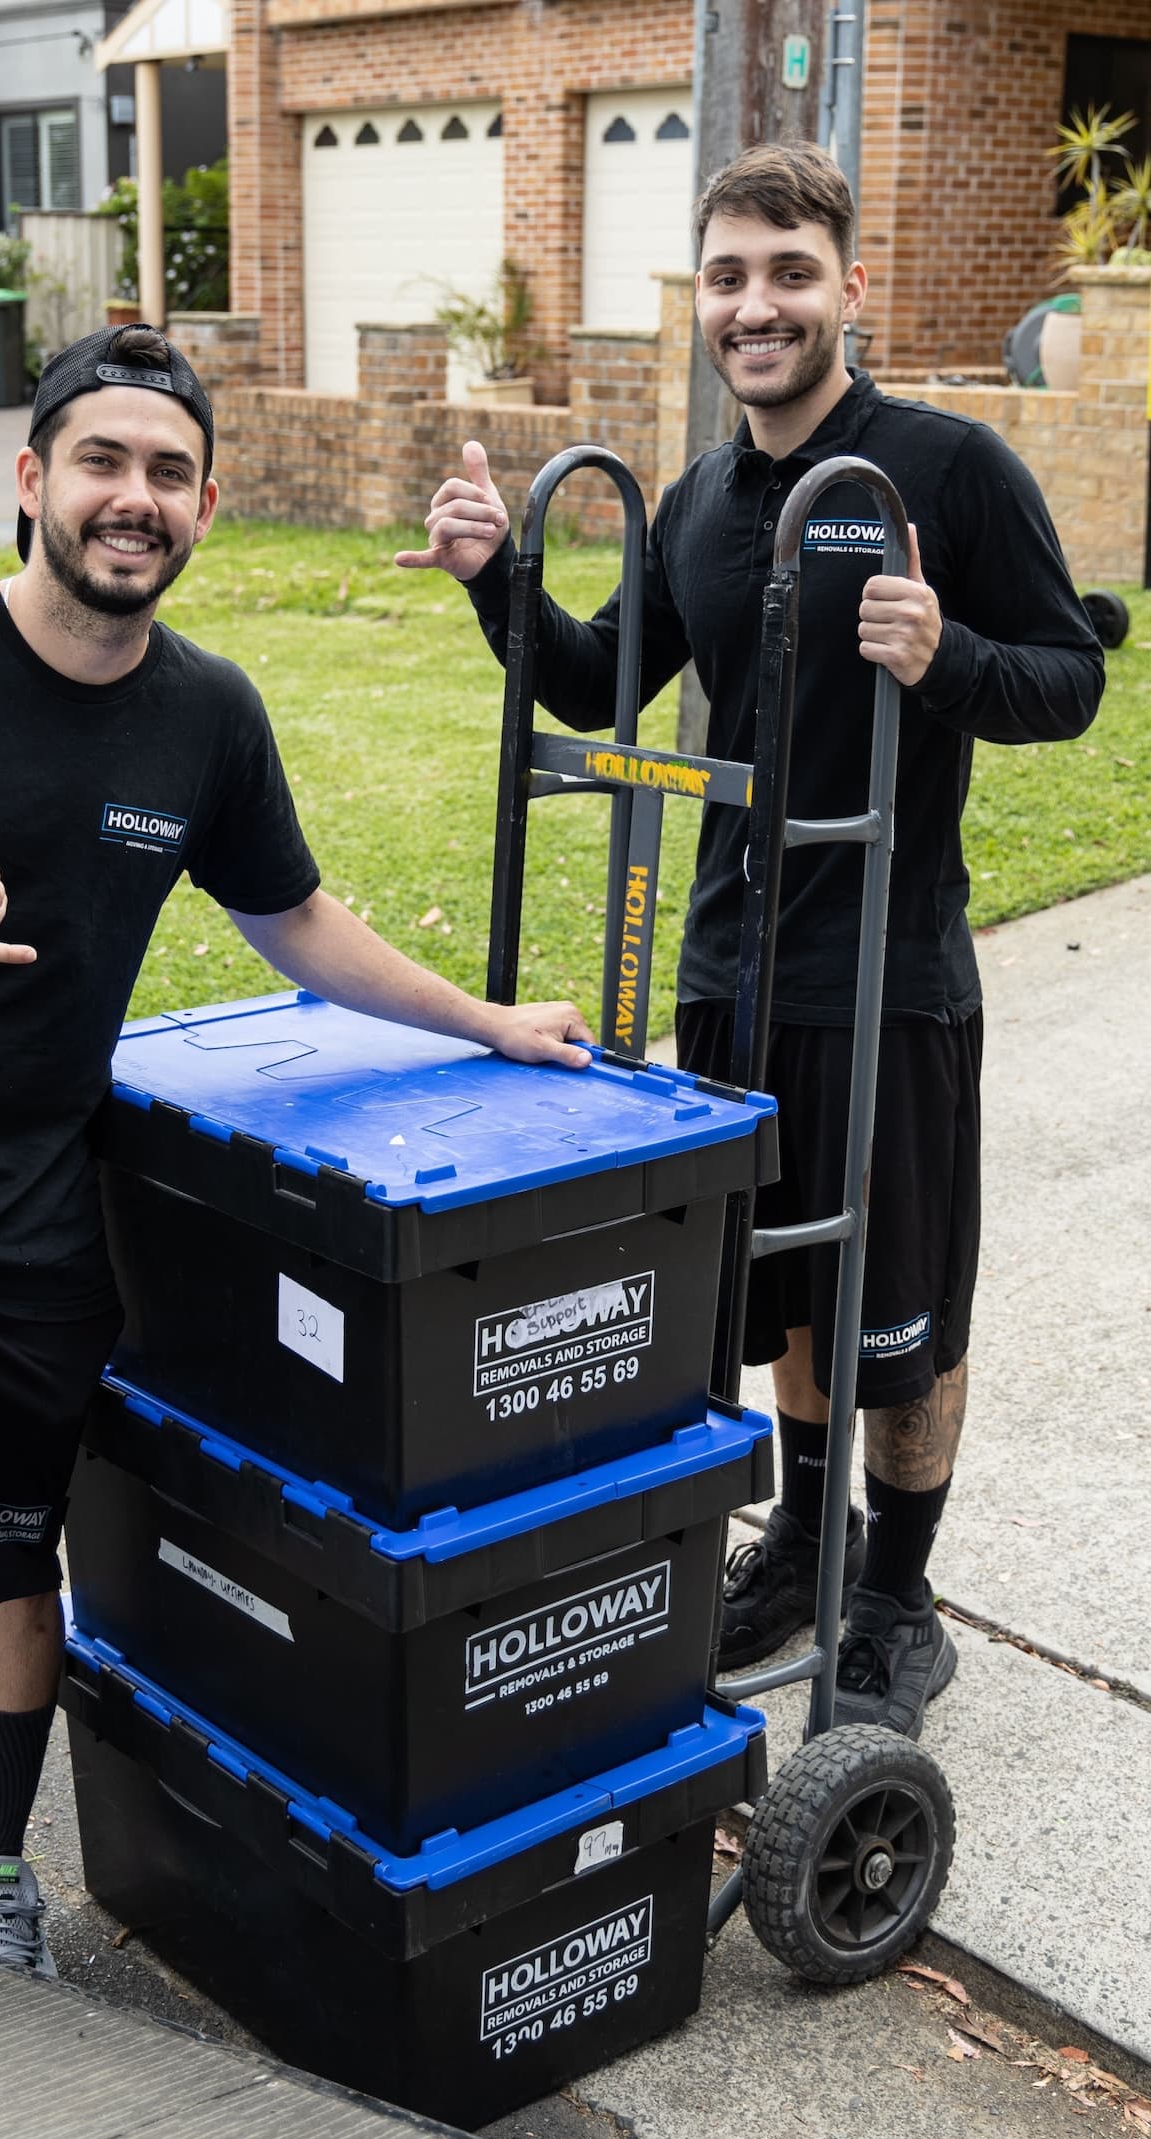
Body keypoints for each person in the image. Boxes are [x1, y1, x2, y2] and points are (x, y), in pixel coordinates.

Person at [0, 322, 595, 2011]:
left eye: (166, 471)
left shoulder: (207, 716)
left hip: (16, 1219)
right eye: (101, 461)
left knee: (14, 1570)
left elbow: (295, 921)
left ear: (207, 504)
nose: (131, 498)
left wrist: (489, 1022)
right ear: (32, 481)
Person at [397, 142, 1104, 1738]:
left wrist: (950, 657)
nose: (756, 304)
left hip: (887, 985)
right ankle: (804, 1534)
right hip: (724, 974)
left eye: (789, 272)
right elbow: (598, 684)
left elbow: (1073, 679)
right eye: (728, 276)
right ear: (701, 301)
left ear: (850, 287)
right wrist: (495, 573)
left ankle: (900, 1599)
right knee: (773, 1308)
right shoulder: (707, 495)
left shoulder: (949, 470)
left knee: (899, 1324)